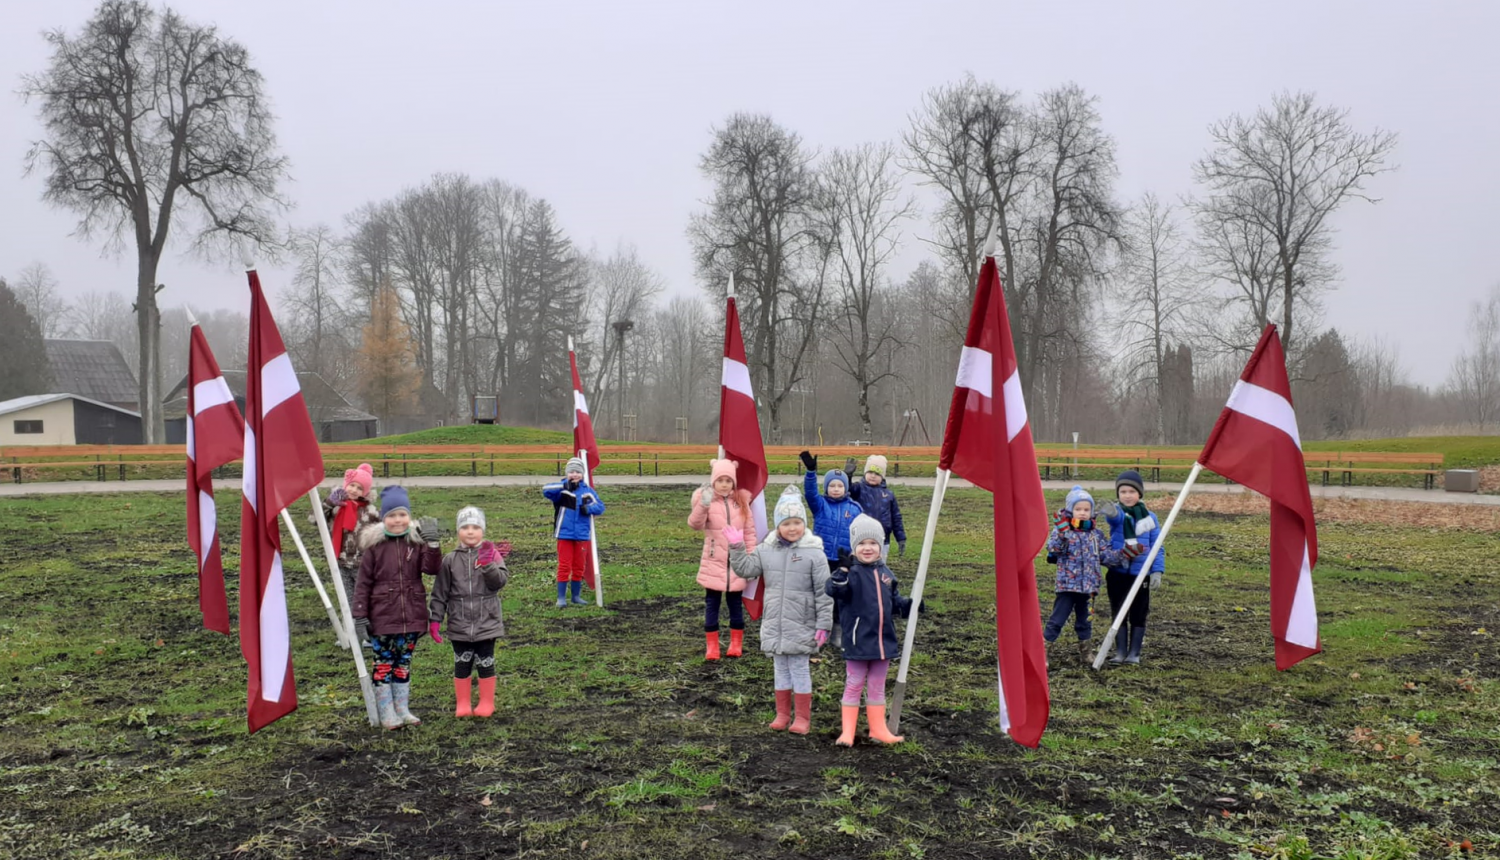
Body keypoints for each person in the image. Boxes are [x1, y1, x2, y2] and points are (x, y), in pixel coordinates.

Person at [725, 487, 832, 735]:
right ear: (777, 525)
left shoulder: (815, 553)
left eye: (797, 522)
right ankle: (783, 714)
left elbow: (824, 593)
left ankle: (802, 717)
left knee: (799, 668)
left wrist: (823, 624)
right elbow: (746, 570)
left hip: (803, 622)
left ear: (804, 523)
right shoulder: (766, 549)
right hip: (775, 621)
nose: (792, 528)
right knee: (780, 669)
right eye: (786, 523)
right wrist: (736, 546)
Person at [351, 486, 443, 730]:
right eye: (392, 515)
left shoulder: (416, 542)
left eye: (402, 515)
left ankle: (402, 709)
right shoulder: (374, 547)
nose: (397, 520)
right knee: (384, 663)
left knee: (403, 662)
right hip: (382, 617)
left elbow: (431, 569)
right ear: (383, 518)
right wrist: (359, 615)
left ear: (409, 517)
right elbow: (363, 583)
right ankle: (386, 711)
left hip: (411, 616)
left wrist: (432, 545)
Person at [826, 514, 917, 746]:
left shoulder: (887, 574)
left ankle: (878, 730)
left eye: (873, 543)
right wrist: (842, 571)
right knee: (854, 683)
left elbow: (894, 602)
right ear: (855, 547)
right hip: (857, 641)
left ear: (880, 546)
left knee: (877, 686)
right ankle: (847, 732)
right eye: (862, 544)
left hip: (883, 641)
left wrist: (910, 605)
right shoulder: (850, 574)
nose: (868, 548)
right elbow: (833, 590)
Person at [1045, 486, 1142, 666]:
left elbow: (1106, 557)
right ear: (1070, 510)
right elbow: (1053, 549)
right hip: (1068, 586)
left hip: (1089, 588)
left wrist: (1124, 554)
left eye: (1086, 509)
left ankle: (1086, 653)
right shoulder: (1063, 531)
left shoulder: (1096, 535)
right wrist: (1062, 533)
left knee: (1085, 621)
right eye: (1078, 509)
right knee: (1057, 620)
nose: (1082, 513)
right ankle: (1044, 651)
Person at [429, 506, 510, 718]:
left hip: (487, 621)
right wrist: (435, 620)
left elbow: (499, 582)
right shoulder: (449, 560)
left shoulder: (491, 553)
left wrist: (487, 565)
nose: (471, 531)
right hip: (459, 622)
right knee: (462, 662)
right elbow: (440, 592)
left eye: (476, 527)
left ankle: (486, 702)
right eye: (465, 527)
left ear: (483, 530)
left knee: (486, 661)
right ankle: (463, 703)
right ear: (458, 531)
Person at [688, 459, 758, 661]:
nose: (725, 484)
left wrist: (750, 560)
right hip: (714, 562)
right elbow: (695, 524)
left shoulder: (741, 502)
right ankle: (712, 645)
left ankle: (736, 642)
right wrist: (703, 505)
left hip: (737, 563)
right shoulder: (706, 500)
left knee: (735, 604)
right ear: (713, 482)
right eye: (720, 480)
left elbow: (750, 532)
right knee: (712, 604)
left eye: (728, 480)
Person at [1099, 470, 1166, 665]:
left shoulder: (1150, 518)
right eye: (1123, 492)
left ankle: (1134, 653)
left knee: (1138, 612)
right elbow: (1114, 519)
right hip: (1118, 573)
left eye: (1131, 491)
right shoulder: (1119, 514)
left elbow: (1157, 547)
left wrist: (1157, 571)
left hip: (1140, 576)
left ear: (1140, 494)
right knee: (1119, 611)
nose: (1127, 495)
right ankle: (1120, 651)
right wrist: (1111, 513)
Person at [801, 450, 863, 645]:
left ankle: (837, 629)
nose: (836, 489)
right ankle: (819, 630)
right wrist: (811, 472)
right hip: (822, 557)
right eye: (832, 486)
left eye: (840, 486)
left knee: (839, 596)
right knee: (821, 594)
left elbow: (859, 534)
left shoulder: (854, 508)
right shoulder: (820, 505)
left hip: (842, 561)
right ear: (826, 488)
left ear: (846, 488)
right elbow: (810, 492)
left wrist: (853, 556)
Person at [318, 463, 380, 642]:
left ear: (365, 492)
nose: (354, 490)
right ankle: (349, 633)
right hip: (340, 562)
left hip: (362, 563)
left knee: (363, 598)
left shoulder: (369, 511)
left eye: (359, 488)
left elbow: (380, 532)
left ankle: (368, 635)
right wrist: (329, 503)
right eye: (352, 485)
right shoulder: (335, 508)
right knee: (345, 598)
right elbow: (314, 519)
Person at [543, 458, 605, 608]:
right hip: (564, 534)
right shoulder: (561, 490)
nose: (575, 474)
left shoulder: (587, 492)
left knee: (579, 566)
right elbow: (546, 490)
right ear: (567, 473)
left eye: (578, 472)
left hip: (582, 535)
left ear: (583, 474)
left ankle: (576, 596)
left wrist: (588, 509)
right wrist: (565, 484)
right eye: (571, 471)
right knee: (564, 565)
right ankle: (561, 597)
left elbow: (600, 507)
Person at [845, 454, 906, 561]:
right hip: (861, 537)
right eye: (870, 472)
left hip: (882, 540)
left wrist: (901, 538)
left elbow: (896, 518)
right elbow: (846, 490)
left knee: (879, 568)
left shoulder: (888, 495)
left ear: (882, 476)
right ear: (865, 473)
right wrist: (847, 476)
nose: (873, 476)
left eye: (877, 473)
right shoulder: (858, 489)